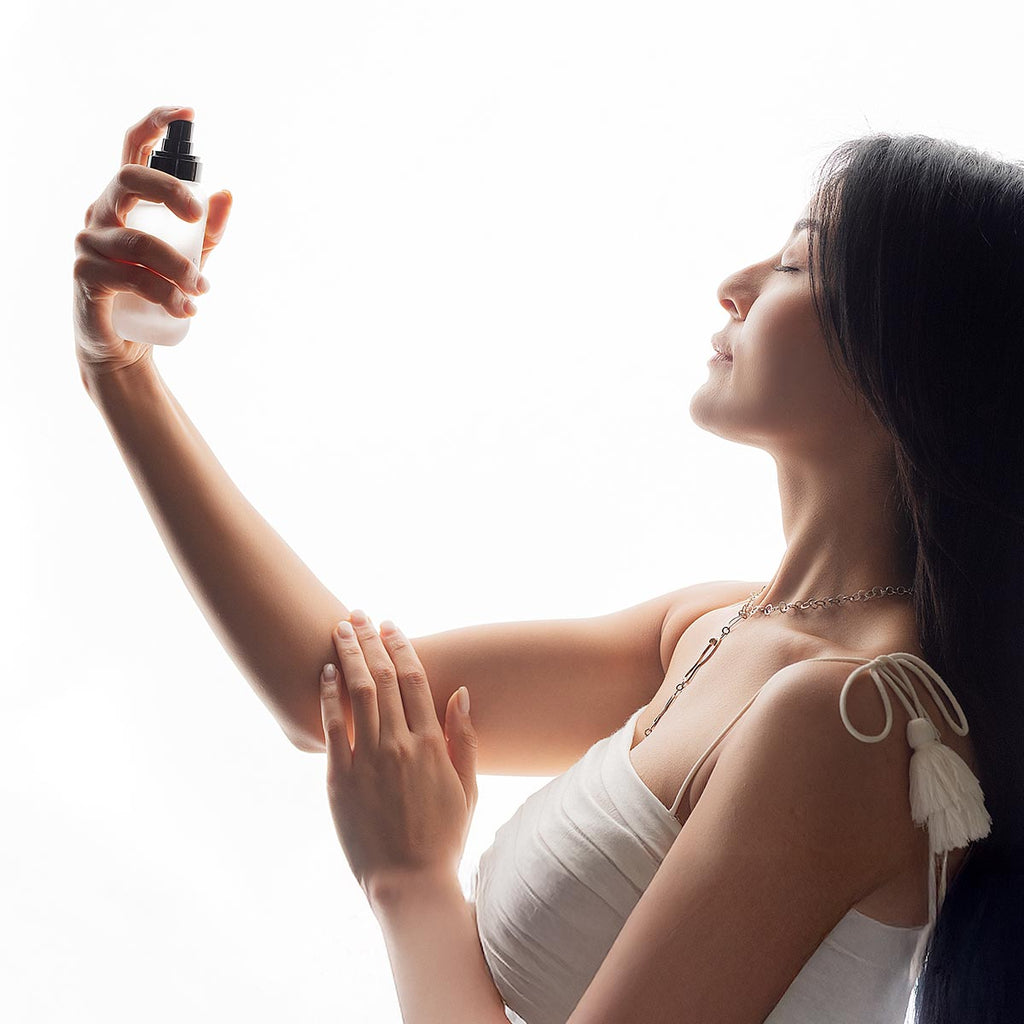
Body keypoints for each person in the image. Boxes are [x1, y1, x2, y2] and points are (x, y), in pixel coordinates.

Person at [73, 108, 1022, 1023]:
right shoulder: (717, 627)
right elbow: (331, 698)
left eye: (795, 264)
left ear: (916, 355)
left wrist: (410, 882)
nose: (734, 285)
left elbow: (358, 740)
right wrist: (119, 371)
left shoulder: (851, 716)